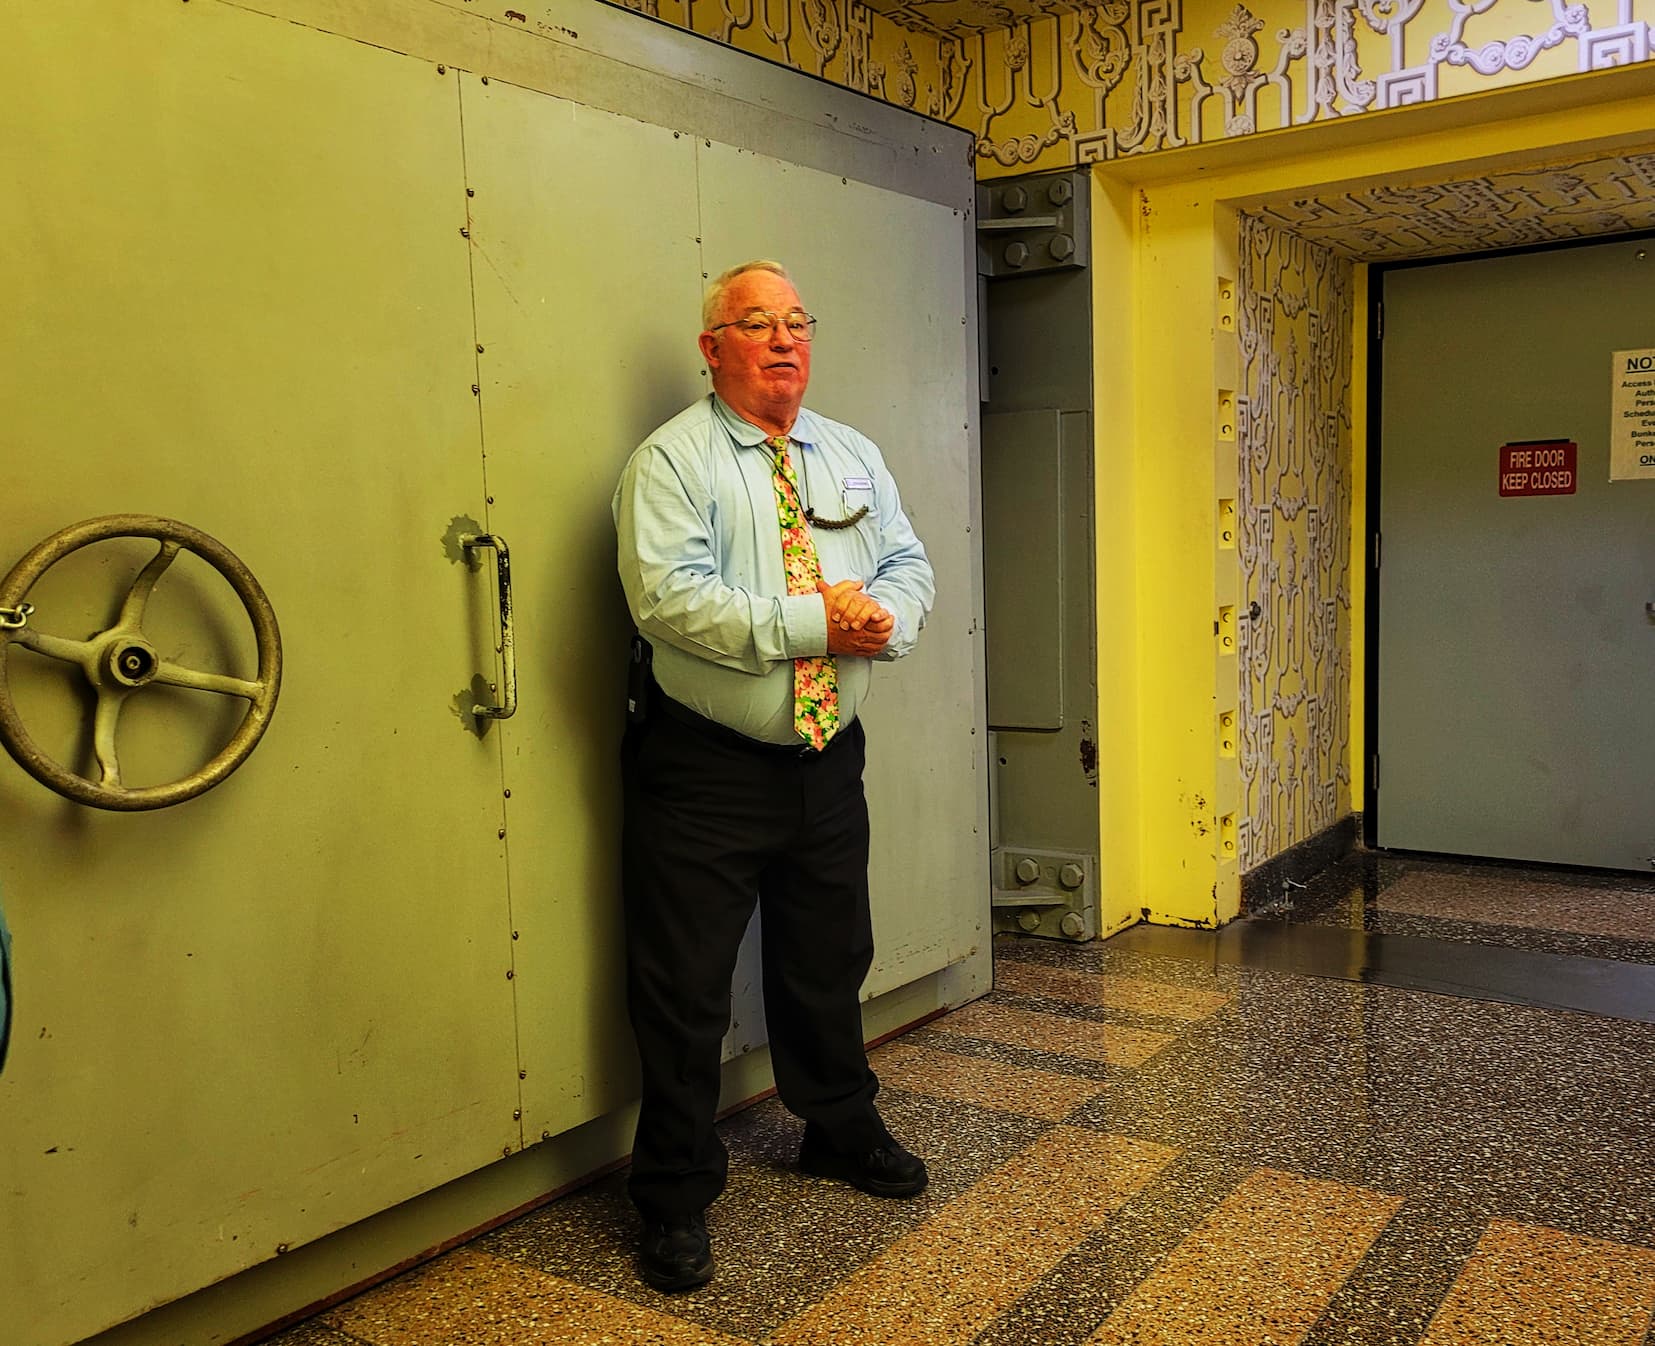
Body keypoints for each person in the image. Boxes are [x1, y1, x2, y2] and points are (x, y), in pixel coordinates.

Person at [612, 260, 936, 1292]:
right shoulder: (669, 462)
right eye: (757, 322)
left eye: (796, 319)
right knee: (684, 990)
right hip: (703, 768)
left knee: (826, 956)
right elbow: (670, 601)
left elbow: (908, 563)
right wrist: (814, 623)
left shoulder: (849, 452)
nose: (784, 338)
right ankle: (670, 1193)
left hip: (825, 755)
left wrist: (885, 622)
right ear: (714, 349)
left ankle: (836, 1126)